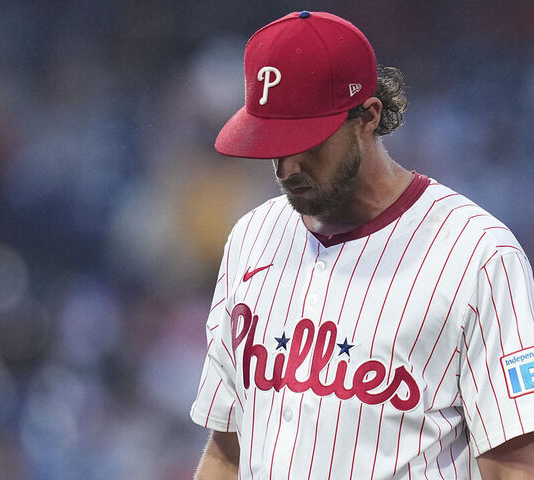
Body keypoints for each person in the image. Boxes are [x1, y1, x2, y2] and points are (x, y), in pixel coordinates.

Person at [189, 10, 534, 480]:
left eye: (306, 141)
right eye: (273, 142)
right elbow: (226, 451)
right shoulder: (252, 237)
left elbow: (516, 466)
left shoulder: (477, 254)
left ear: (368, 116)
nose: (287, 167)